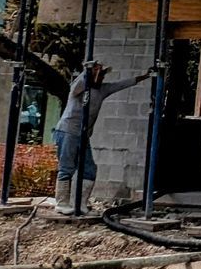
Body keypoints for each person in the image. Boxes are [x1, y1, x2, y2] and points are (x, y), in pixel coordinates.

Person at [53, 60, 156, 212]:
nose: (101, 77)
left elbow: (123, 84)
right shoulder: (80, 88)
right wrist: (88, 71)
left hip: (83, 135)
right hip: (68, 130)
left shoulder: (102, 90)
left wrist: (145, 76)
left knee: (89, 169)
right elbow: (76, 86)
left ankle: (79, 203)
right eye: (99, 74)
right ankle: (61, 203)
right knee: (67, 167)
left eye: (102, 75)